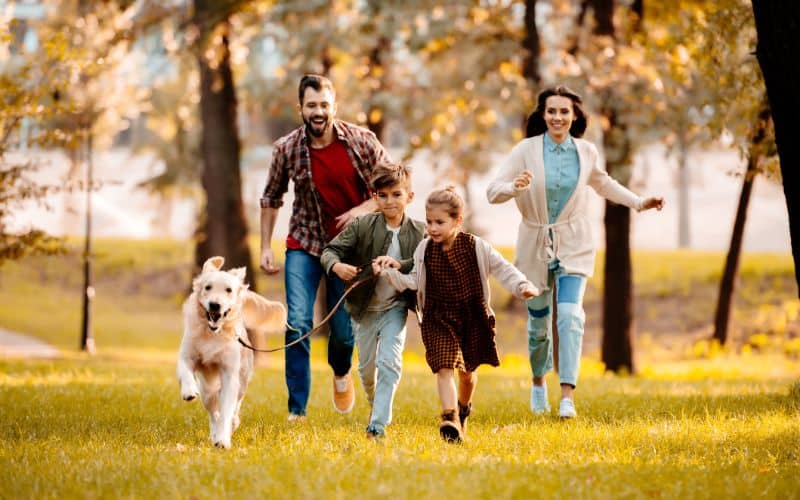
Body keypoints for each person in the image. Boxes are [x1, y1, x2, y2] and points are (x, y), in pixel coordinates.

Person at [486, 85, 665, 419]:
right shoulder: (525, 150)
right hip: (534, 245)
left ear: (575, 116)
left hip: (574, 244)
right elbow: (492, 191)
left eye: (564, 111)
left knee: (570, 316)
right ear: (542, 115)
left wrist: (639, 202)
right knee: (539, 325)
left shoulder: (585, 152)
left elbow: (603, 184)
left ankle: (567, 394)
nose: (557, 117)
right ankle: (539, 382)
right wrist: (514, 187)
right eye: (551, 111)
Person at [260, 74, 390, 421]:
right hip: (305, 243)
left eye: (324, 105)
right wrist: (264, 247)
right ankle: (297, 410)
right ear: (300, 108)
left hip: (350, 251)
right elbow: (272, 197)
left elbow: (396, 186)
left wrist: (361, 210)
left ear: (335, 106)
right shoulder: (286, 148)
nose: (318, 112)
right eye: (311, 105)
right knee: (299, 322)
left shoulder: (363, 142)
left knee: (344, 334)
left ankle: (341, 371)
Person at [380, 187, 539, 442]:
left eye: (440, 222)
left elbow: (503, 268)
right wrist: (389, 273)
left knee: (466, 374)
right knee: (444, 367)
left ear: (457, 221)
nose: (432, 228)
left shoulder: (477, 246)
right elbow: (413, 280)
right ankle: (449, 417)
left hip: (471, 316)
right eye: (429, 221)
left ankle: (463, 409)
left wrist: (522, 286)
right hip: (437, 316)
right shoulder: (424, 249)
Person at [320, 163, 425, 440]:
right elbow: (330, 250)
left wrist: (397, 264)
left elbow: (421, 264)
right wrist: (337, 267)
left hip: (395, 308)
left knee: (389, 362)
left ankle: (377, 426)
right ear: (375, 197)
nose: (390, 201)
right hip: (363, 309)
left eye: (396, 194)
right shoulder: (362, 225)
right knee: (367, 371)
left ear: (409, 197)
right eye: (383, 195)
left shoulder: (419, 231)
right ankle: (374, 403)